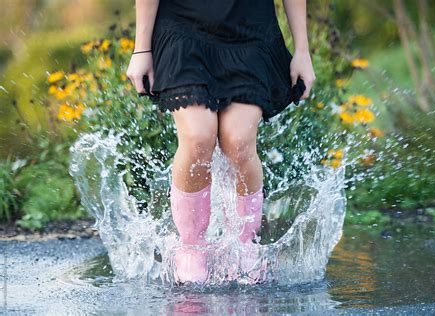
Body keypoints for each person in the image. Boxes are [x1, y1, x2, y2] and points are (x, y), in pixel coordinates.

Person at [127, 0, 315, 284]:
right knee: (198, 137)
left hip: (250, 30)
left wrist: (302, 50)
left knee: (238, 142)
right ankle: (191, 246)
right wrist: (142, 48)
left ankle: (244, 244)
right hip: (182, 26)